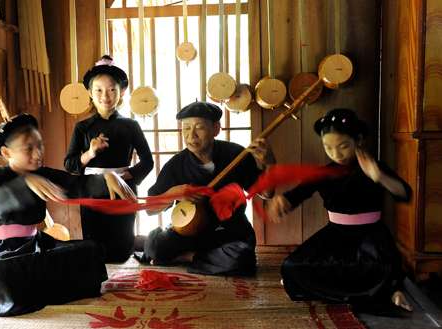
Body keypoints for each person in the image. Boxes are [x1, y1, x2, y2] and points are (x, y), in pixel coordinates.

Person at [0, 113, 136, 316]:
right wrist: (24, 183)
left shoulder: (43, 174)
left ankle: (40, 286)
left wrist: (106, 178)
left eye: (39, 145)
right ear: (7, 152)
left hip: (35, 246)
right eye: (28, 148)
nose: (37, 153)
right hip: (1, 255)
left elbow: (77, 184)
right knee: (4, 274)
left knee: (91, 250)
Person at [268, 108, 413, 311]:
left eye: (343, 146)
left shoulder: (374, 167)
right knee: (291, 267)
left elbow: (405, 193)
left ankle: (389, 291)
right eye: (328, 147)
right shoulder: (324, 172)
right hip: (335, 234)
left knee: (381, 268)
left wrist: (379, 177)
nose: (336, 154)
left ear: (359, 140)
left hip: (370, 235)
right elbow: (298, 194)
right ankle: (379, 292)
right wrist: (283, 201)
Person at [141, 101, 273, 276]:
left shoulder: (236, 155)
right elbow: (150, 209)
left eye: (199, 128)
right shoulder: (176, 165)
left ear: (216, 128)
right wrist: (173, 194)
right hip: (190, 233)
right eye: (186, 128)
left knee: (242, 257)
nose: (191, 135)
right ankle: (203, 258)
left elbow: (267, 193)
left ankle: (189, 257)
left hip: (228, 231)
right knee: (155, 247)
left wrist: (269, 163)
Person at [64, 55, 153, 263]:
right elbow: (69, 164)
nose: (106, 96)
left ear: (121, 92)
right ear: (90, 93)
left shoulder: (131, 126)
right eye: (99, 90)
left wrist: (126, 177)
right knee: (94, 251)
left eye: (112, 89)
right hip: (92, 193)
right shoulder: (82, 127)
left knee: (121, 251)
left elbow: (148, 162)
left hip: (123, 190)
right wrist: (90, 153)